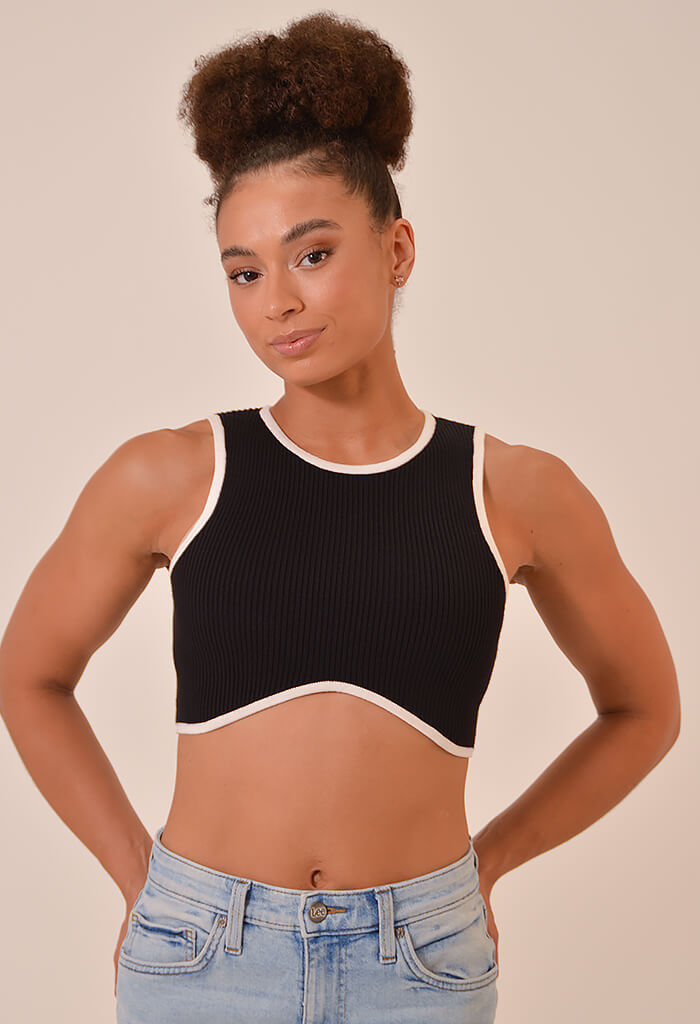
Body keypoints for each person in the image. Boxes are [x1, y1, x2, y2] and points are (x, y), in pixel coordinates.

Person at [0, 11, 680, 1023]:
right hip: (202, 957)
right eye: (244, 271)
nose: (276, 300)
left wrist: (487, 862)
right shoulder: (171, 474)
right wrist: (141, 876)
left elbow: (644, 710)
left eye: (311, 254)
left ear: (397, 249)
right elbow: (29, 674)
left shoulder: (514, 489)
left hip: (421, 966)